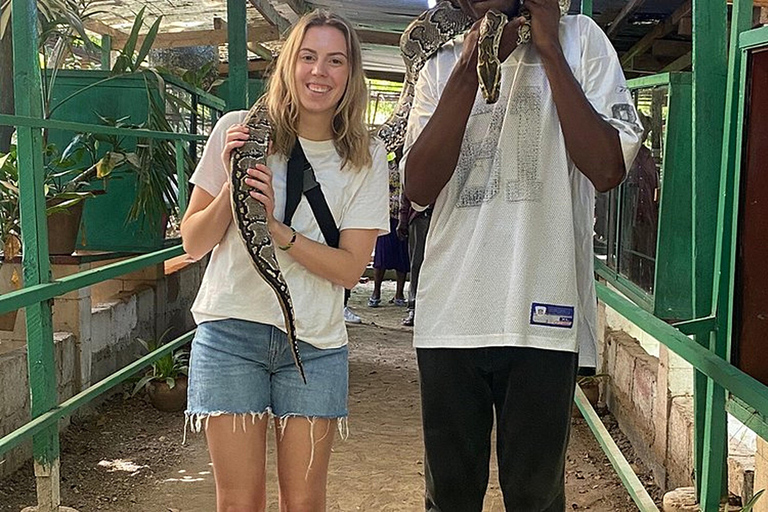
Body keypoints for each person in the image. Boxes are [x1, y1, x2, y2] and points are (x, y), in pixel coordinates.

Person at [401, 0, 644, 510]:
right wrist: (468, 72)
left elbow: (605, 169)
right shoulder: (442, 59)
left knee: (536, 496)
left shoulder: (581, 42)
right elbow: (418, 187)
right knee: (449, 496)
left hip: (544, 313)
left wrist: (550, 50)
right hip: (451, 316)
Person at [180, 10, 389, 511]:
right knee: (239, 502)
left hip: (315, 343)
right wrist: (234, 184)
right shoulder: (237, 129)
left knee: (304, 502)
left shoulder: (365, 155)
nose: (320, 71)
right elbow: (192, 242)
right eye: (308, 57)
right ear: (289, 64)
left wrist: (277, 231)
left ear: (351, 73)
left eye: (335, 60)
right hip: (231, 334)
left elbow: (349, 270)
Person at [368, 152, 411, 308]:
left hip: (405, 216)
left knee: (402, 256)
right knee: (381, 256)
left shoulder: (409, 163)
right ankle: (376, 292)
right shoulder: (387, 164)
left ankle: (399, 293)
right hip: (386, 215)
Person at [397, 191, 431, 326]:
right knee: (417, 263)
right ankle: (414, 308)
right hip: (419, 218)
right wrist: (402, 219)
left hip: (444, 218)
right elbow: (406, 192)